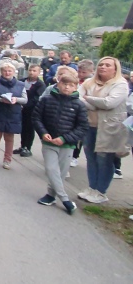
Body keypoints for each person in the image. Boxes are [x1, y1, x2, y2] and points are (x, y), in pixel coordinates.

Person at [32, 70, 88, 214]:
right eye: (64, 84)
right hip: (49, 142)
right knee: (51, 169)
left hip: (67, 145)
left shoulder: (79, 105)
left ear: (76, 87)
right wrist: (43, 132)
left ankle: (51, 195)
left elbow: (82, 127)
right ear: (58, 84)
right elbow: (36, 118)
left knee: (61, 173)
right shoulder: (46, 100)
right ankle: (65, 200)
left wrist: (65, 138)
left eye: (71, 85)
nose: (67, 87)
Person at [78, 56, 129, 204]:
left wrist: (88, 99)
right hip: (90, 125)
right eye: (101, 64)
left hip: (109, 128)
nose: (103, 67)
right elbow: (77, 97)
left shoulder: (120, 84)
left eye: (107, 65)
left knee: (104, 159)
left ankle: (101, 192)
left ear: (115, 69)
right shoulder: (89, 82)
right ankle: (92, 187)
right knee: (91, 158)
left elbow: (109, 103)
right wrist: (94, 104)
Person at [0, 62, 27, 169]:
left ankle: (7, 160)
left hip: (13, 114)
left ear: (14, 72)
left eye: (9, 71)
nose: (7, 73)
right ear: (1, 72)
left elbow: (25, 99)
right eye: (5, 71)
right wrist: (1, 99)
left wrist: (16, 99)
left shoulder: (20, 84)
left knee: (9, 138)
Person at [14, 64, 45, 157]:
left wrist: (25, 104)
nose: (31, 72)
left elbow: (37, 98)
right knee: (23, 128)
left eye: (34, 71)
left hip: (32, 110)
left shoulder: (40, 85)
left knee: (30, 129)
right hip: (21, 109)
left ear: (39, 72)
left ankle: (28, 147)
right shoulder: (22, 81)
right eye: (30, 70)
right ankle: (22, 146)